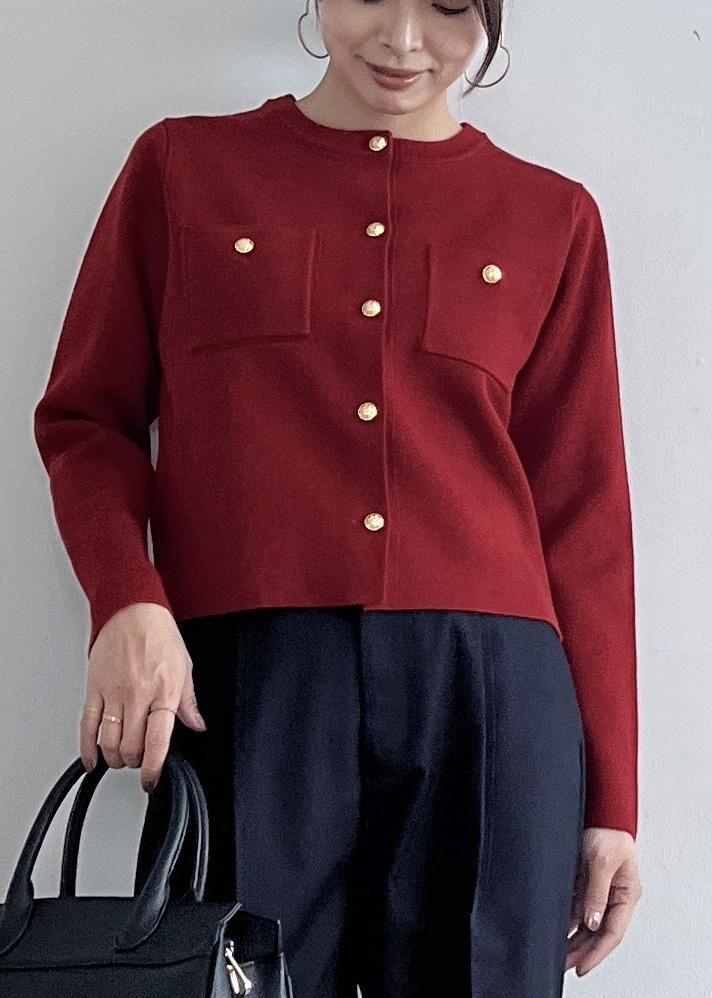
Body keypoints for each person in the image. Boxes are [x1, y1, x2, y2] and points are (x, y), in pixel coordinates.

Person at [32, 0, 643, 994]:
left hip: (487, 699)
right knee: (231, 979)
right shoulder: (183, 170)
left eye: (447, 5)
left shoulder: (551, 216)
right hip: (249, 685)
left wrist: (612, 799)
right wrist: (126, 599)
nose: (402, 39)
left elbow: (586, 514)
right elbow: (86, 420)